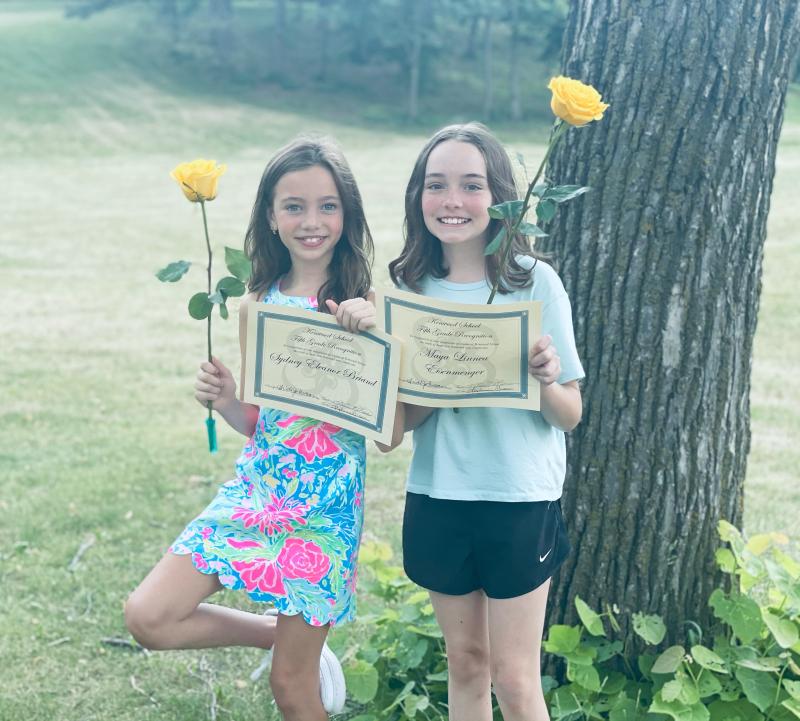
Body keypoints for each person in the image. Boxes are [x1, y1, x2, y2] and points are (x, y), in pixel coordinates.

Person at [125, 137, 377, 720]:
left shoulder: (366, 304)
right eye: (294, 206)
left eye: (328, 206)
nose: (311, 221)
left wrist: (372, 332)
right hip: (257, 493)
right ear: (270, 215)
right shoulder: (257, 304)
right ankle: (275, 634)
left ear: (347, 214)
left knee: (291, 688)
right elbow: (263, 424)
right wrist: (228, 403)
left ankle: (297, 653)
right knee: (148, 617)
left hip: (324, 510)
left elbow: (386, 431)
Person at [381, 122, 584, 721]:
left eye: (472, 185)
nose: (453, 201)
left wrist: (544, 378)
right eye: (436, 185)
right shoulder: (408, 289)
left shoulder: (534, 281)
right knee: (466, 662)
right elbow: (396, 428)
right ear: (418, 196)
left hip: (518, 498)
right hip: (439, 494)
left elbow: (570, 414)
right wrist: (436, 381)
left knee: (515, 678)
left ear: (501, 197)